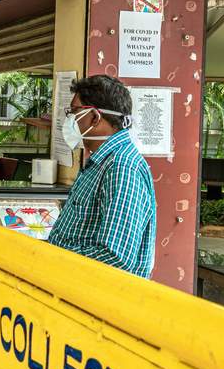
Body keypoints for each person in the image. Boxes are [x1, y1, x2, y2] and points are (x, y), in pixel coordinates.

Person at [48, 75, 156, 279]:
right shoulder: (101, 162)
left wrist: (53, 261)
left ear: (95, 118)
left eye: (74, 112)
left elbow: (115, 256)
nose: (70, 119)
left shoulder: (122, 168)